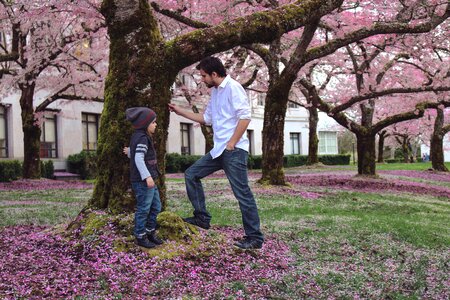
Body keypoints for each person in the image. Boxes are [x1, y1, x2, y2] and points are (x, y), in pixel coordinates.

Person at [168, 56, 264, 250]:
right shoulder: (216, 93)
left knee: (242, 193)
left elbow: (245, 118)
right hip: (219, 150)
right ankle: (202, 218)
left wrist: (232, 143)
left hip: (233, 150)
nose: (202, 80)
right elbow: (205, 118)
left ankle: (254, 238)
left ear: (214, 74)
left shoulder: (233, 88)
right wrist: (179, 111)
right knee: (191, 174)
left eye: (203, 76)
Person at [124, 107, 163, 248]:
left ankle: (150, 231)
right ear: (145, 124)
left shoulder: (139, 136)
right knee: (144, 208)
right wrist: (147, 177)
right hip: (143, 181)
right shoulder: (142, 138)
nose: (156, 125)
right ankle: (140, 235)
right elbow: (139, 158)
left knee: (156, 206)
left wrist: (129, 151)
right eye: (153, 122)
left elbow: (136, 153)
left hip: (149, 180)